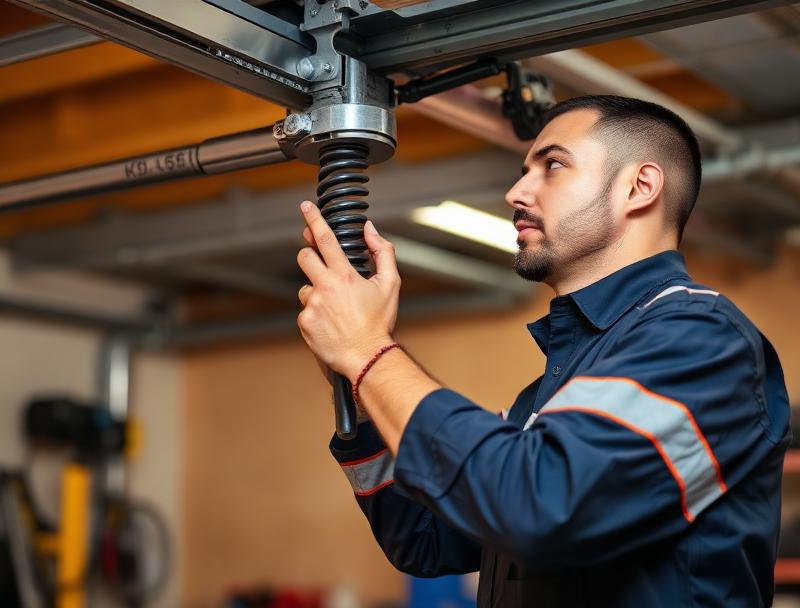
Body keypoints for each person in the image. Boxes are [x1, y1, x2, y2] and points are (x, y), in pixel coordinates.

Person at [294, 95, 791, 607]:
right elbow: (426, 538)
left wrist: (370, 352)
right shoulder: (557, 390)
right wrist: (355, 378)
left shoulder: (702, 340)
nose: (515, 192)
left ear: (639, 187)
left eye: (552, 165)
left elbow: (539, 505)